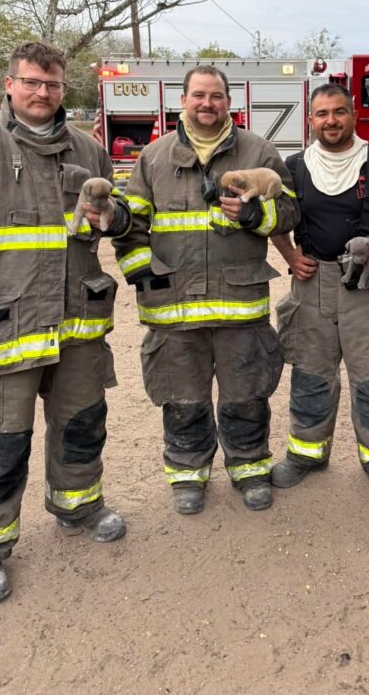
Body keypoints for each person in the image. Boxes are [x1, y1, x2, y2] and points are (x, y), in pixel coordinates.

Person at [0, 41, 130, 607]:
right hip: (2, 328)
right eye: (33, 82)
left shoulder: (89, 150)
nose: (43, 93)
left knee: (82, 425)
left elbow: (123, 217)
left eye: (54, 84)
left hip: (78, 328)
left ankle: (77, 506)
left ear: (65, 89)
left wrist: (111, 217)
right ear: (9, 86)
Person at [112, 66, 299, 515]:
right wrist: (145, 278)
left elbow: (292, 212)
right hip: (173, 308)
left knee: (246, 394)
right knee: (182, 397)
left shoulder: (258, 151)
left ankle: (250, 467)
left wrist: (256, 218)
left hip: (239, 305)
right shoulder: (154, 158)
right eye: (199, 95)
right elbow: (130, 226)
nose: (207, 104)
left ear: (228, 101)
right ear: (183, 100)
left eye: (216, 96)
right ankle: (187, 473)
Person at [270, 84, 369, 503]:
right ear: (310, 120)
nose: (330, 120)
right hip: (310, 284)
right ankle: (307, 455)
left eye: (338, 112)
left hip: (364, 287)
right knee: (311, 375)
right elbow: (276, 219)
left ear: (353, 115)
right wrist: (290, 255)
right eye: (321, 114)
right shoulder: (294, 168)